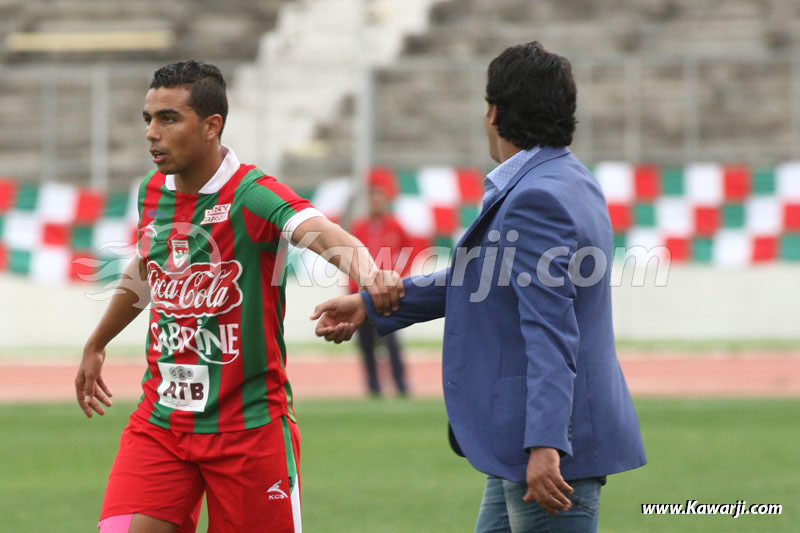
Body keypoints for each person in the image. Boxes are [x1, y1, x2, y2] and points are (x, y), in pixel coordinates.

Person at [311, 42, 647, 532]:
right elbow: (483, 278)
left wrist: (546, 444)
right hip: (524, 437)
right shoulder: (569, 178)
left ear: (494, 113)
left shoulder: (535, 197)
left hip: (545, 445)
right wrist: (371, 301)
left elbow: (551, 330)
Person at [74, 60, 402, 533]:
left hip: (248, 432)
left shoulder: (252, 194)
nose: (152, 132)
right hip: (162, 422)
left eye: (168, 118)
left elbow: (323, 233)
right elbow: (149, 265)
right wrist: (97, 341)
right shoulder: (151, 192)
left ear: (212, 127)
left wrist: (371, 275)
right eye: (148, 118)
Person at [348, 177, 410, 396]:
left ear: (385, 200)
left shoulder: (396, 226)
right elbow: (350, 257)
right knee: (365, 343)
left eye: (379, 198)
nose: (375, 202)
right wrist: (351, 288)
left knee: (391, 341)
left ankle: (401, 385)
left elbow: (408, 253)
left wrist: (400, 279)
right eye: (372, 198)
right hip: (363, 294)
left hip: (387, 293)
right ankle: (373, 387)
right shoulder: (359, 227)